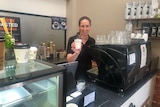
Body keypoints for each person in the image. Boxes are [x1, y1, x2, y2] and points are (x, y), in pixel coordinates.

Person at [66, 16, 97, 81]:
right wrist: (76, 53)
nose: (84, 29)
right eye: (82, 26)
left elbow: (93, 60)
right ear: (79, 27)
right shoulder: (73, 40)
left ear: (90, 27)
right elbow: (69, 60)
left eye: (87, 26)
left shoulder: (92, 41)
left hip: (88, 75)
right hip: (74, 75)